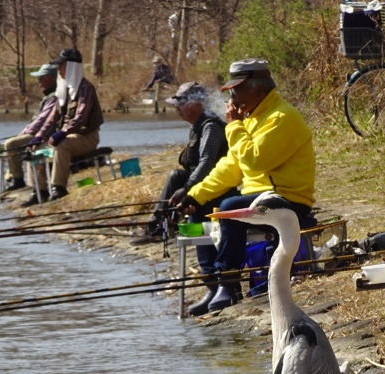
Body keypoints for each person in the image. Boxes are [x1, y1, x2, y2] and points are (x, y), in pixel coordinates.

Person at [170, 58, 316, 314]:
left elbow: (256, 161)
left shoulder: (281, 117)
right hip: (258, 199)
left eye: (238, 90)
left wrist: (234, 125)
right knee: (211, 209)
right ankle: (214, 285)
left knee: (230, 206)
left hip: (288, 199)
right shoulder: (251, 119)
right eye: (231, 92)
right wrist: (195, 196)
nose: (234, 98)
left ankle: (229, 283)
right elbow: (230, 168)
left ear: (259, 89)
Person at [131, 81, 230, 245]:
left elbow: (206, 163)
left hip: (216, 188)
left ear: (197, 106)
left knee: (176, 176)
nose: (177, 109)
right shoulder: (198, 125)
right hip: (202, 183)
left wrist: (186, 188)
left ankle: (158, 227)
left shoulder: (210, 127)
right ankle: (159, 225)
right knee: (176, 176)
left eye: (181, 105)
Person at [30, 48, 104, 205]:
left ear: (71, 67)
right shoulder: (62, 90)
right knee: (35, 150)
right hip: (67, 136)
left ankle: (58, 188)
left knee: (61, 145)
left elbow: (81, 117)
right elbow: (51, 119)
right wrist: (39, 137)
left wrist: (62, 133)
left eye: (61, 66)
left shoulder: (86, 88)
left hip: (86, 138)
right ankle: (39, 191)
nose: (59, 70)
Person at [1, 63, 60, 194]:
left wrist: (23, 136)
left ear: (51, 78)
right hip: (39, 133)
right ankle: (12, 177)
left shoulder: (54, 96)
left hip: (45, 135)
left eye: (41, 78)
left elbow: (41, 121)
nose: (38, 81)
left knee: (11, 144)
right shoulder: (48, 96)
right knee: (10, 144)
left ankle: (18, 180)